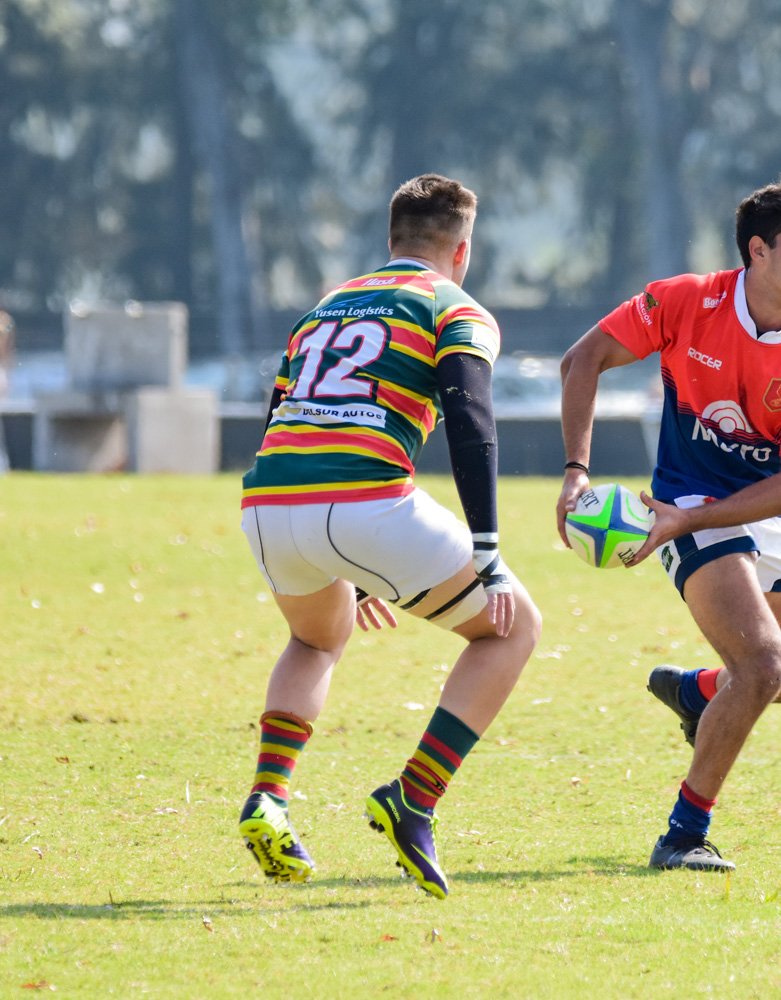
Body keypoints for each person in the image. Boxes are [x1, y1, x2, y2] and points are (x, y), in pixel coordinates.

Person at [236, 174, 541, 899]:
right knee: (513, 628)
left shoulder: (325, 307)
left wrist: (354, 560)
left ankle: (269, 798)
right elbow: (471, 422)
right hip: (365, 502)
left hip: (268, 501)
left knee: (315, 639)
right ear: (462, 249)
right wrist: (488, 552)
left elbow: (282, 412)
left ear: (391, 241)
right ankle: (415, 799)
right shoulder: (454, 305)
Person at [556, 175, 781, 872]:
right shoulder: (686, 301)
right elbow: (583, 359)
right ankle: (684, 834)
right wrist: (576, 471)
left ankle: (695, 692)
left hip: (757, 506)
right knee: (763, 663)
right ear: (757, 251)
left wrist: (700, 519)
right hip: (684, 499)